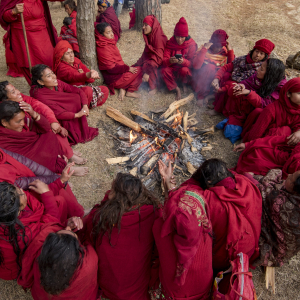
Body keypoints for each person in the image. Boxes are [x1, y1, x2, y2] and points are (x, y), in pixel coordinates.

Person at [158, 159, 262, 273]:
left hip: (226, 260)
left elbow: (179, 204)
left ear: (210, 182)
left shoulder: (210, 201)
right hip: (249, 250)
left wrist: (168, 182)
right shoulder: (245, 184)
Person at [79, 173, 161, 300]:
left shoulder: (100, 218)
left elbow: (86, 234)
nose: (108, 192)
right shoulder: (153, 212)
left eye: (112, 190)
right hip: (137, 292)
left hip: (108, 287)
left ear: (117, 198)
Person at [0, 180, 83, 280]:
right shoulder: (25, 234)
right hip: (16, 270)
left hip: (6, 267)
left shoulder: (6, 212)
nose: (22, 190)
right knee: (58, 201)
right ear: (17, 212)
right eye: (21, 193)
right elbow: (52, 222)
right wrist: (46, 193)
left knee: (57, 200)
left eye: (17, 189)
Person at [153, 160, 213, 299]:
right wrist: (168, 181)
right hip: (203, 290)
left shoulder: (161, 233)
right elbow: (179, 213)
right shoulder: (204, 229)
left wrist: (169, 186)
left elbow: (170, 214)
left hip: (176, 293)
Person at [0, 81, 88, 166]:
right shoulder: (5, 114)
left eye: (15, 89)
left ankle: (67, 152)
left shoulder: (21, 98)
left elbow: (39, 106)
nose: (19, 92)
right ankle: (64, 155)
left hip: (33, 128)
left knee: (53, 128)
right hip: (28, 140)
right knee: (48, 135)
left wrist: (53, 121)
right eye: (13, 92)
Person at [0, 101, 88, 176]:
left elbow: (45, 128)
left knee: (49, 134)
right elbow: (15, 158)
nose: (23, 123)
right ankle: (64, 169)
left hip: (34, 145)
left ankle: (61, 160)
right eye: (18, 121)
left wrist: (34, 114)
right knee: (36, 164)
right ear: (4, 122)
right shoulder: (2, 138)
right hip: (26, 159)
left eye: (23, 119)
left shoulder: (20, 121)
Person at [18, 224, 100, 300]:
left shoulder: (41, 253)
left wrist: (66, 226)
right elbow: (88, 241)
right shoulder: (89, 261)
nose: (67, 228)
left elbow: (46, 232)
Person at [218, 58, 286, 143]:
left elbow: (265, 105)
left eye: (261, 69)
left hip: (261, 117)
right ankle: (235, 118)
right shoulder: (257, 78)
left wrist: (249, 93)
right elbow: (246, 83)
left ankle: (245, 131)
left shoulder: (279, 89)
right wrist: (240, 86)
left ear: (269, 75)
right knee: (234, 89)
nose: (257, 69)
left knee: (258, 111)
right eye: (260, 66)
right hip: (249, 107)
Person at [30, 64, 99, 146]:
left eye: (52, 73)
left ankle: (79, 127)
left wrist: (85, 106)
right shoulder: (40, 95)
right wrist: (77, 115)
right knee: (75, 99)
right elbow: (58, 114)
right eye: (49, 76)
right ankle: (73, 131)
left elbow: (78, 90)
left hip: (68, 113)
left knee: (77, 97)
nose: (54, 77)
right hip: (56, 120)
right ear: (40, 82)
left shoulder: (56, 83)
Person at [0, 0, 62, 84]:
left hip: (41, 33)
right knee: (29, 66)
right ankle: (38, 89)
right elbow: (3, 17)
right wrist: (13, 12)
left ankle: (53, 86)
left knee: (49, 60)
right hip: (22, 35)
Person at [249, 169, 300, 268]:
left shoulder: (280, 203)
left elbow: (263, 189)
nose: (288, 175)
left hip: (273, 251)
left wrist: (276, 172)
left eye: (291, 177)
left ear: (295, 190)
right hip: (285, 252)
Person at [211, 38, 275, 113]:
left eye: (261, 53)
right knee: (226, 75)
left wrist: (223, 89)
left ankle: (219, 109)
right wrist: (216, 78)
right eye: (256, 51)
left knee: (231, 85)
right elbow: (226, 67)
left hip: (244, 90)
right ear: (253, 51)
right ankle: (216, 99)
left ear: (265, 56)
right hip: (234, 84)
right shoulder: (242, 59)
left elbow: (248, 85)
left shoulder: (262, 69)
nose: (257, 55)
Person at [241, 77, 300, 143]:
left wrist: (299, 132)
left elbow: (297, 124)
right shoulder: (271, 109)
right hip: (266, 139)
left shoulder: (297, 108)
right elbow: (257, 131)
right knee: (286, 130)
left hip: (283, 139)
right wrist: (249, 144)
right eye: (299, 93)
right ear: (288, 94)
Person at [53, 40, 109, 108]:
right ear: (61, 56)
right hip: (71, 93)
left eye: (71, 52)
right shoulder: (62, 68)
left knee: (105, 89)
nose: (71, 55)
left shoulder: (76, 60)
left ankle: (86, 104)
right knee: (87, 90)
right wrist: (88, 74)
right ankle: (81, 107)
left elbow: (92, 80)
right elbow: (75, 76)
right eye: (67, 54)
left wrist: (88, 74)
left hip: (83, 89)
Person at [95, 22, 143, 100]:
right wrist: (127, 69)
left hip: (118, 73)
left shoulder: (107, 42)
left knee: (135, 67)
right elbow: (111, 69)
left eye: (111, 31)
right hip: (115, 79)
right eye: (108, 32)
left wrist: (127, 68)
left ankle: (123, 88)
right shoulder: (103, 47)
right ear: (102, 35)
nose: (112, 34)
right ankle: (130, 91)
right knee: (141, 69)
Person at [192, 29, 234, 106]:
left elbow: (232, 68)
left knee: (227, 75)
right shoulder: (205, 49)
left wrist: (230, 52)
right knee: (210, 67)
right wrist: (204, 50)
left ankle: (214, 95)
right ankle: (201, 95)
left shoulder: (225, 52)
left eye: (220, 46)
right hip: (202, 79)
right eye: (215, 46)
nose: (217, 49)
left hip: (216, 80)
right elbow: (196, 66)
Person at [161, 17, 197, 100]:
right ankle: (177, 88)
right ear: (174, 35)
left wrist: (184, 62)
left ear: (186, 36)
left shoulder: (191, 45)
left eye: (182, 37)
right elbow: (164, 60)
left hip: (183, 71)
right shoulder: (170, 43)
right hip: (173, 71)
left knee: (185, 70)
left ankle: (184, 84)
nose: (179, 40)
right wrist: (169, 61)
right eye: (177, 37)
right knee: (164, 71)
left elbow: (193, 64)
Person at [133, 15, 168, 95]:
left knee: (148, 64)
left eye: (146, 25)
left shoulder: (158, 38)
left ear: (152, 26)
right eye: (143, 25)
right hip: (153, 60)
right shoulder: (150, 36)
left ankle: (154, 86)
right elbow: (145, 54)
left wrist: (147, 72)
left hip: (161, 63)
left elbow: (158, 59)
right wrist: (135, 65)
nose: (143, 27)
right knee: (140, 66)